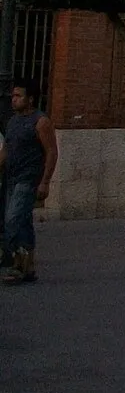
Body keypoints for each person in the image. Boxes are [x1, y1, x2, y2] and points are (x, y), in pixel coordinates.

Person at [2, 76, 56, 286]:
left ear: (30, 99)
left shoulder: (41, 122)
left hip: (28, 179)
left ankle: (19, 264)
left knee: (12, 220)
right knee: (23, 222)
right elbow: (6, 150)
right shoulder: (13, 122)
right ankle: (28, 266)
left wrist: (45, 182)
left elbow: (51, 152)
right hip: (11, 177)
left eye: (18, 96)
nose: (13, 99)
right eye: (13, 95)